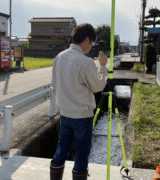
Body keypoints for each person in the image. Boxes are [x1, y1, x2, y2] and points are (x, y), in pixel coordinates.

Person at [50, 23, 108, 180]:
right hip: (82, 116)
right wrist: (102, 67)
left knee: (61, 151)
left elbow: (54, 85)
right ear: (87, 39)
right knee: (81, 154)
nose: (92, 46)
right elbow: (98, 87)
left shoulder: (59, 58)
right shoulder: (86, 62)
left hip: (65, 114)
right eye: (92, 43)